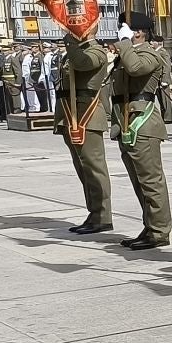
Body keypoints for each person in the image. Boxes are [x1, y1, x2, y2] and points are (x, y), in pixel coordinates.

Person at [109, 12, 172, 251]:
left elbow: (135, 69)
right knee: (139, 182)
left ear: (138, 32)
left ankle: (159, 231)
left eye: (124, 29)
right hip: (125, 121)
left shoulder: (149, 54)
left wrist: (125, 44)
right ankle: (150, 226)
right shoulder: (126, 53)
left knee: (151, 182)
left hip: (142, 123)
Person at [57, 25, 112, 235]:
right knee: (82, 168)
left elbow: (82, 64)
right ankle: (94, 212)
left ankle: (103, 215)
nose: (71, 31)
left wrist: (70, 43)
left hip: (87, 114)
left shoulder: (96, 51)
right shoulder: (73, 50)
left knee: (93, 167)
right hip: (71, 113)